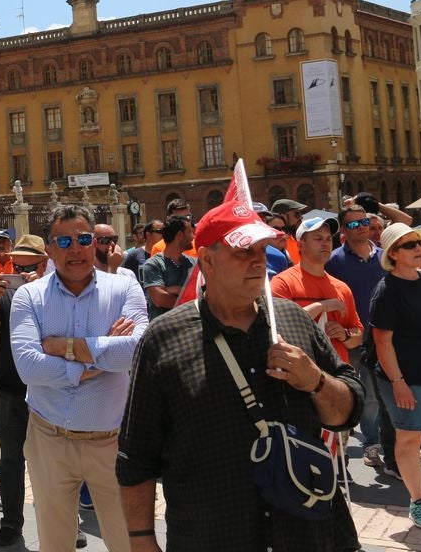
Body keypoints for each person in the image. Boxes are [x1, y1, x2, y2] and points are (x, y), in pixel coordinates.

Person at [117, 200, 363, 552]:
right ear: (208, 260)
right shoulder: (163, 340)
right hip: (212, 536)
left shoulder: (294, 321)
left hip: (306, 532)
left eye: (262, 249)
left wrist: (316, 381)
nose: (259, 260)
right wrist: (141, 540)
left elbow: (347, 412)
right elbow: (135, 455)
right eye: (243, 250)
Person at [9, 205, 146, 552]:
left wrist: (64, 347)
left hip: (113, 441)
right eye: (65, 240)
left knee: (128, 542)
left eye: (84, 239)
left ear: (95, 244)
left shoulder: (125, 288)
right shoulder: (29, 296)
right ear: (49, 250)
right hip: (49, 437)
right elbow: (28, 366)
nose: (76, 249)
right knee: (55, 544)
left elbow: (136, 352)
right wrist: (96, 361)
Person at [0, 235, 64, 548]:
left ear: (44, 263)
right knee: (11, 460)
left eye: (29, 265)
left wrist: (42, 287)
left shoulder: (59, 292)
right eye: (17, 264)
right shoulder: (4, 295)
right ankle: (12, 523)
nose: (21, 270)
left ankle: (65, 523)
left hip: (51, 389)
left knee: (56, 461)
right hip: (13, 391)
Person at [371, 222, 421, 529]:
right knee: (409, 438)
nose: (418, 248)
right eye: (409, 245)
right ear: (393, 253)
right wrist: (398, 383)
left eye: (418, 242)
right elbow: (382, 341)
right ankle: (418, 503)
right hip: (408, 377)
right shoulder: (387, 290)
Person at [325, 202, 386, 468]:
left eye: (364, 222)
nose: (361, 228)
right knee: (363, 394)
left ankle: (387, 443)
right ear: (344, 231)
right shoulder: (334, 261)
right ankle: (370, 443)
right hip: (350, 338)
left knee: (384, 392)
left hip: (383, 337)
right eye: (353, 224)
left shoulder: (385, 256)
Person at [270, 216, 363, 363]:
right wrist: (323, 306)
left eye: (328, 239)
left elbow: (357, 337)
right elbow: (283, 330)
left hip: (339, 376)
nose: (325, 244)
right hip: (300, 376)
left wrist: (344, 335)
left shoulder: (342, 288)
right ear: (300, 245)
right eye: (318, 239)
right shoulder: (282, 283)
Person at [138, 216, 194, 319]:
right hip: (164, 332)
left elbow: (204, 293)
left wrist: (175, 289)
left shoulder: (194, 263)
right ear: (180, 235)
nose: (193, 237)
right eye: (190, 232)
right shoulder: (153, 264)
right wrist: (190, 297)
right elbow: (160, 299)